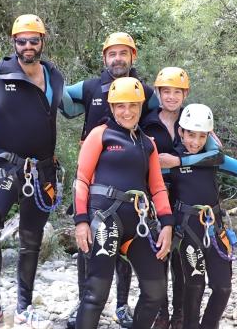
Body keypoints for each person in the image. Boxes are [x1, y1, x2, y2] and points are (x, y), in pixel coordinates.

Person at [0, 14, 72, 327]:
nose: (28, 46)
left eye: (34, 40)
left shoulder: (55, 77)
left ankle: (23, 305)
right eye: (22, 40)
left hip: (43, 171)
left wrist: (119, 95)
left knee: (31, 239)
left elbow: (75, 105)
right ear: (13, 42)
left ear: (43, 41)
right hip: (5, 166)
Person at [62, 31, 160, 328]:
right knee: (91, 247)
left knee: (128, 244)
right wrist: (46, 78)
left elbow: (162, 125)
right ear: (105, 58)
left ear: (133, 56)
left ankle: (121, 304)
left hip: (133, 178)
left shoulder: (146, 91)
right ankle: (84, 303)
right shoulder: (91, 87)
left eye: (123, 53)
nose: (118, 58)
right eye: (112, 53)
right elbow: (63, 100)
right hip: (95, 181)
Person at [73, 77, 174, 329]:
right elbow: (82, 180)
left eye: (133, 106)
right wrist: (81, 222)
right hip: (106, 218)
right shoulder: (100, 134)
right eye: (120, 106)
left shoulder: (147, 143)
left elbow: (158, 187)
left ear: (141, 107)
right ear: (111, 107)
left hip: (137, 224)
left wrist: (167, 225)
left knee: (155, 290)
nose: (127, 112)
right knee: (96, 291)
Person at [141, 67, 223, 329]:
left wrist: (179, 160)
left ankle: (179, 315)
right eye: (167, 91)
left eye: (177, 92)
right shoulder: (147, 121)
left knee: (181, 262)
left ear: (185, 94)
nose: (172, 97)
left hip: (184, 199)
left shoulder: (193, 123)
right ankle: (161, 314)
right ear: (158, 93)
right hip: (155, 196)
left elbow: (217, 156)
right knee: (159, 257)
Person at [169, 104, 237, 329]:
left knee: (223, 287)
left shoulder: (214, 158)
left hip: (214, 228)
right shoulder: (170, 160)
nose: (195, 141)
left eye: (202, 136)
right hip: (186, 229)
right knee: (195, 285)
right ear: (181, 131)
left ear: (209, 135)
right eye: (191, 134)